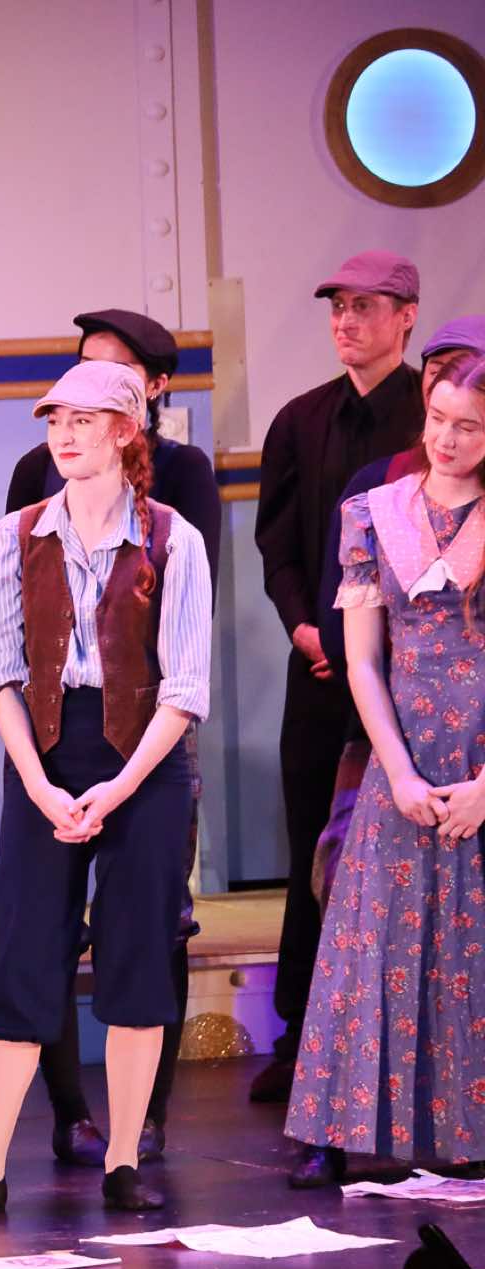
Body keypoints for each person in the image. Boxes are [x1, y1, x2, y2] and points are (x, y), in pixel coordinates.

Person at [0, 361, 209, 1220]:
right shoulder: (16, 535)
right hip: (45, 750)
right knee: (23, 946)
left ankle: (123, 1159)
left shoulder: (173, 538)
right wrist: (39, 783)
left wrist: (118, 788)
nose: (65, 434)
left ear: (126, 431)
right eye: (56, 420)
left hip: (144, 759)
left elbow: (184, 687)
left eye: (85, 419)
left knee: (137, 950)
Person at [6, 308, 222, 1166]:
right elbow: (22, 609)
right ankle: (67, 1111)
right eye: (61, 406)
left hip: (151, 715)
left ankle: (143, 1120)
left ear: (145, 397)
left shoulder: (181, 488)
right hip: (55, 722)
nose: (68, 426)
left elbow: (183, 610)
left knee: (151, 922)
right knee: (40, 926)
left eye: (96, 398)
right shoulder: (36, 484)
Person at [283, 354, 485, 1188]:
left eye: (468, 425)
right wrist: (396, 771)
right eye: (438, 418)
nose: (447, 438)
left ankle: (469, 1127)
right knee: (372, 937)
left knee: (472, 943)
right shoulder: (375, 512)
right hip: (403, 747)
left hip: (479, 751)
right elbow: (363, 661)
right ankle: (336, 1129)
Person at [252, 251, 424, 1104]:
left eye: (364, 306)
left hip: (412, 674)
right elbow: (276, 542)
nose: (346, 321)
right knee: (312, 848)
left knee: (393, 853)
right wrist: (304, 627)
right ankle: (299, 1036)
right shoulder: (300, 419)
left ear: (406, 317)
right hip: (320, 666)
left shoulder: (432, 414)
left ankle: (398, 1039)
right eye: (337, 308)